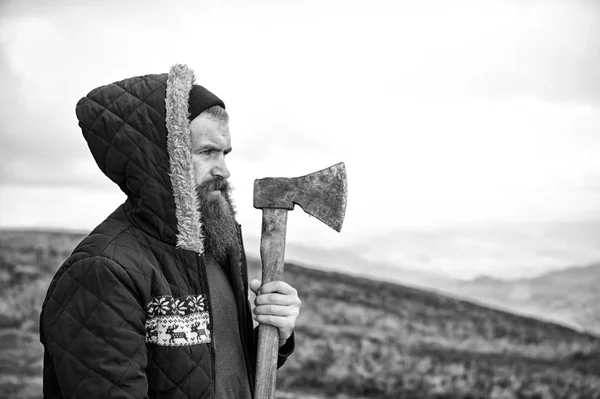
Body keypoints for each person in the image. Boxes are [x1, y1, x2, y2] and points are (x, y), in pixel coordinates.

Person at [39, 64, 301, 398]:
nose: (224, 169)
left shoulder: (216, 248)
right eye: (207, 152)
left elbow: (214, 376)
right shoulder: (102, 272)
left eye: (225, 153)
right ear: (163, 158)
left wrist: (274, 335)